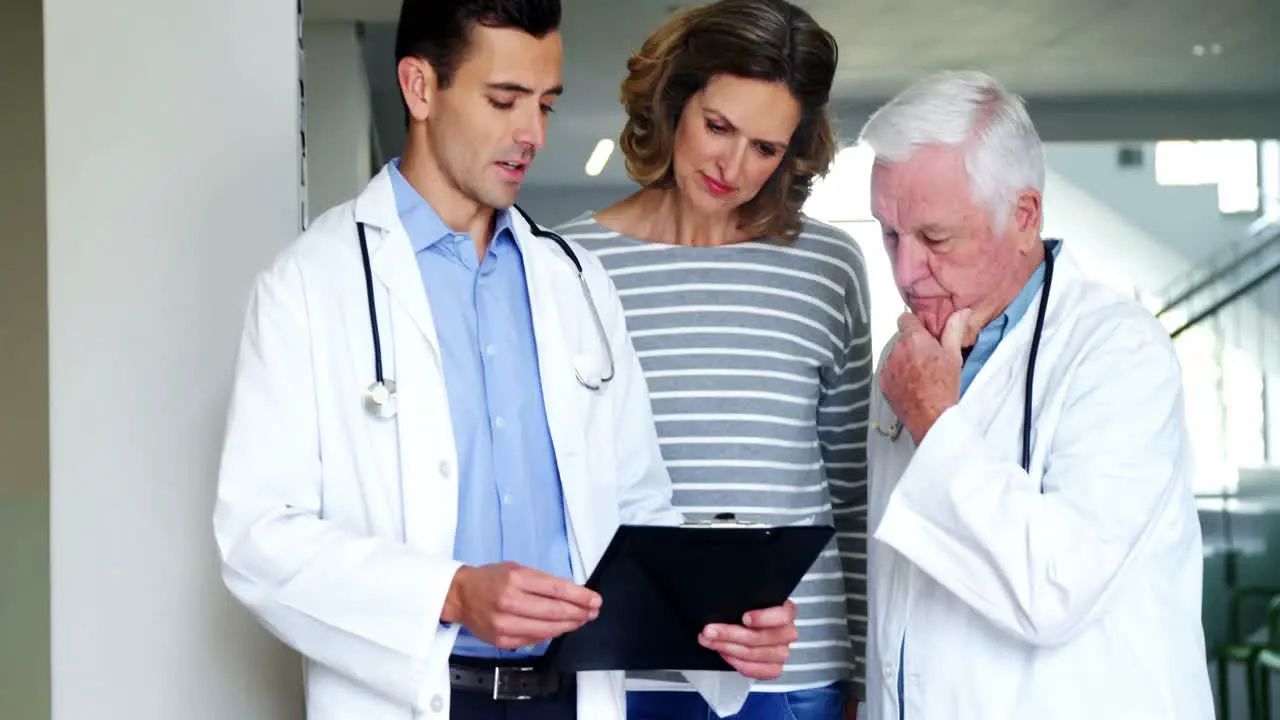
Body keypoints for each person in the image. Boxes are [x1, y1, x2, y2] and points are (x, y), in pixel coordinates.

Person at [211, 2, 802, 719]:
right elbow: (258, 537)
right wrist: (452, 592)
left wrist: (725, 624)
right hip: (419, 695)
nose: (532, 134)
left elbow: (638, 508)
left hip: (570, 696)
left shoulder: (578, 282)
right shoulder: (310, 285)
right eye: (504, 100)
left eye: (546, 104)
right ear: (420, 88)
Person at [856, 69, 1215, 720]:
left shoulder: (1118, 355)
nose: (906, 273)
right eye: (889, 234)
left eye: (935, 238)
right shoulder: (907, 361)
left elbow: (1055, 590)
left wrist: (936, 419)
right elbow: (903, 598)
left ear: (1023, 216)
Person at [554, 2, 870, 718]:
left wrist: (860, 674)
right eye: (718, 127)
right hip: (629, 669)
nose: (733, 167)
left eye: (766, 147)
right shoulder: (568, 266)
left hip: (792, 673)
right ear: (672, 103)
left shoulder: (827, 266)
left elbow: (851, 492)